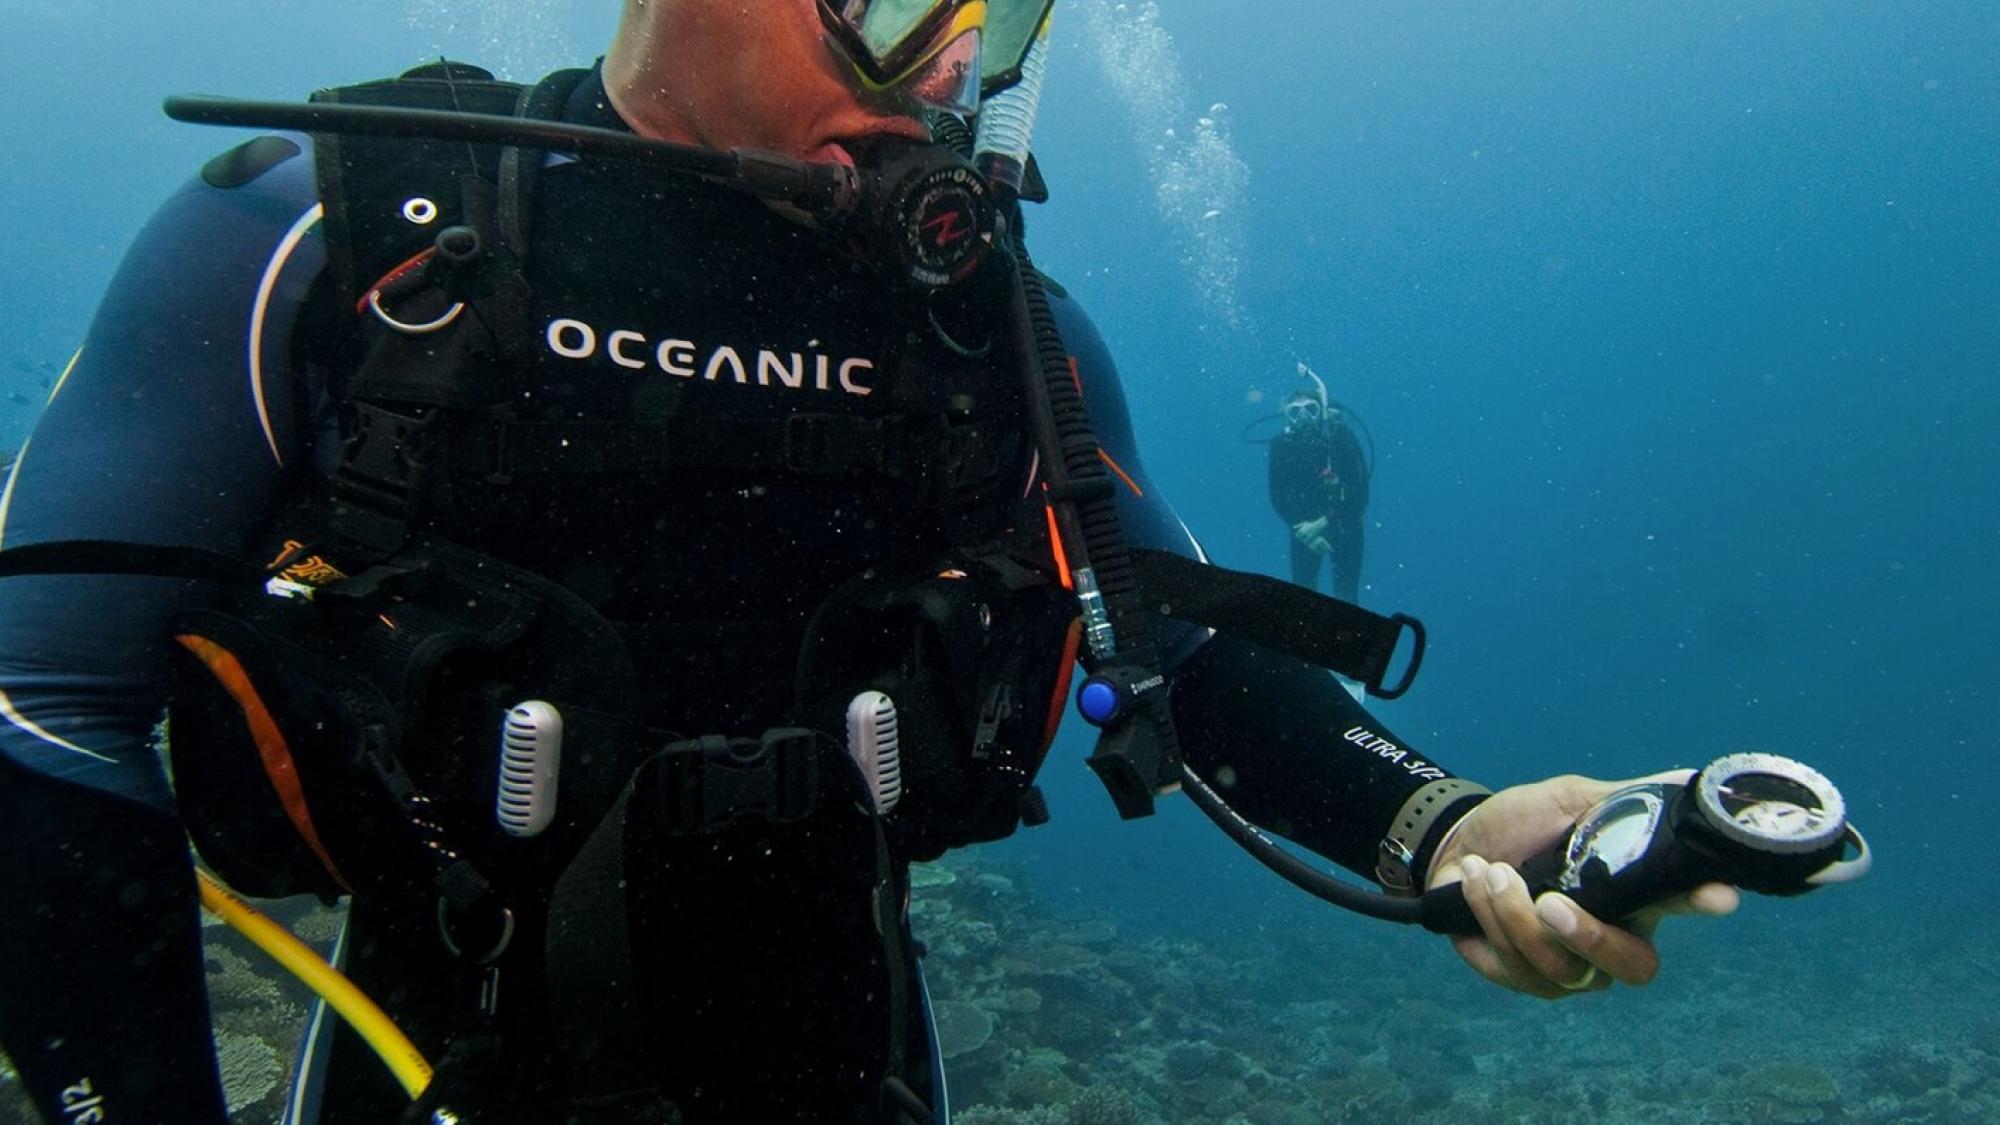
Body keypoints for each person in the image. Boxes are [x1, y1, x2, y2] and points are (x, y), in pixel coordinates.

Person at [0, 2, 1738, 1122]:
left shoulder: (994, 339)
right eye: (896, 0)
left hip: (851, 1070)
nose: (946, 73)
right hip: (423, 1068)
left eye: (997, 21)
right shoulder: (328, 232)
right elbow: (41, 701)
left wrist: (1442, 822)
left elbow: (1179, 648)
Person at [1268, 369, 1370, 603]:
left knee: (1346, 598)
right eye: (1295, 412)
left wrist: (1323, 524)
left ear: (1321, 411)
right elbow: (1278, 496)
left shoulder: (1341, 438)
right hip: (1302, 530)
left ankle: (1345, 637)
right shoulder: (1281, 446)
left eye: (1310, 409)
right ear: (1287, 417)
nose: (1303, 417)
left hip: (1346, 528)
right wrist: (1305, 531)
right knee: (1303, 598)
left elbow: (1360, 493)